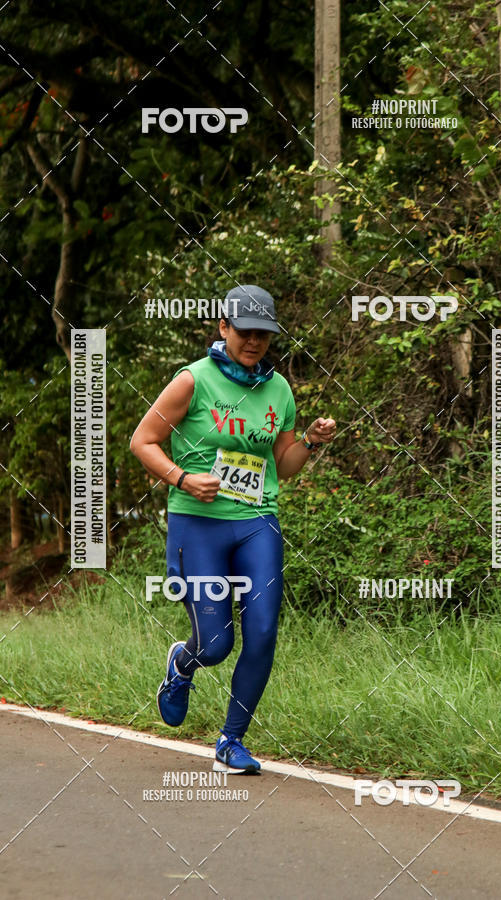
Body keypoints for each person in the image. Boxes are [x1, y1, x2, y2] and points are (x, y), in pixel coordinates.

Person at [130, 285, 336, 774]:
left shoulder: (279, 388)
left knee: (262, 633)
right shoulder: (192, 381)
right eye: (245, 332)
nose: (254, 342)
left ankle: (231, 741)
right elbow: (143, 441)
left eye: (264, 334)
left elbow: (282, 467)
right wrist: (181, 477)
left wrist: (309, 440)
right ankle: (182, 663)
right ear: (223, 327)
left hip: (256, 521)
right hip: (197, 524)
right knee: (217, 645)